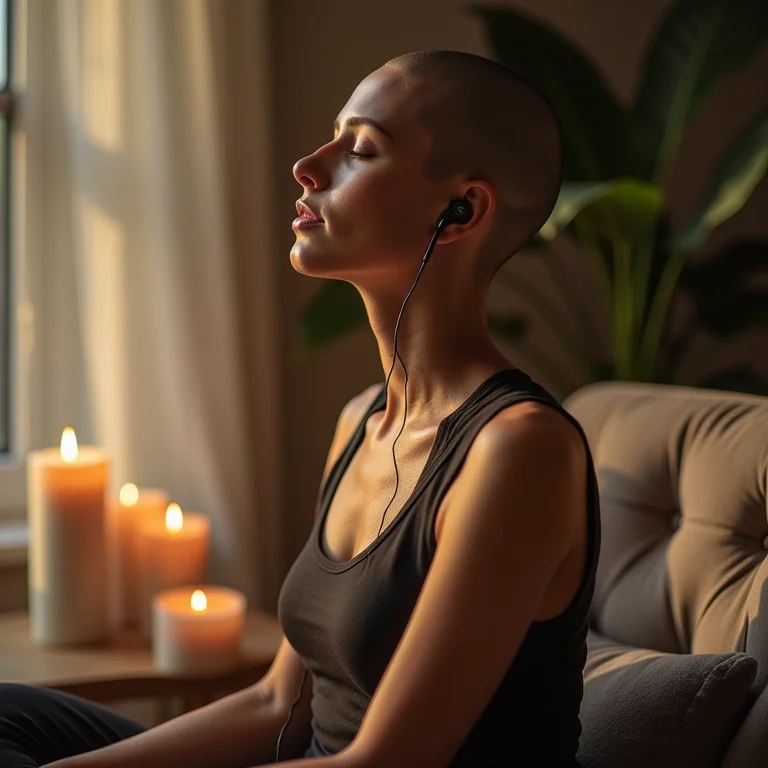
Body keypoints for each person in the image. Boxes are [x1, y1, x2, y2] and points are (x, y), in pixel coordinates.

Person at [0, 49, 600, 768]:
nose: (308, 167)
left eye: (362, 149)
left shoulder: (520, 450)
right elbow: (276, 703)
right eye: (331, 137)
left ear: (462, 210)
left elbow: (389, 762)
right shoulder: (361, 421)